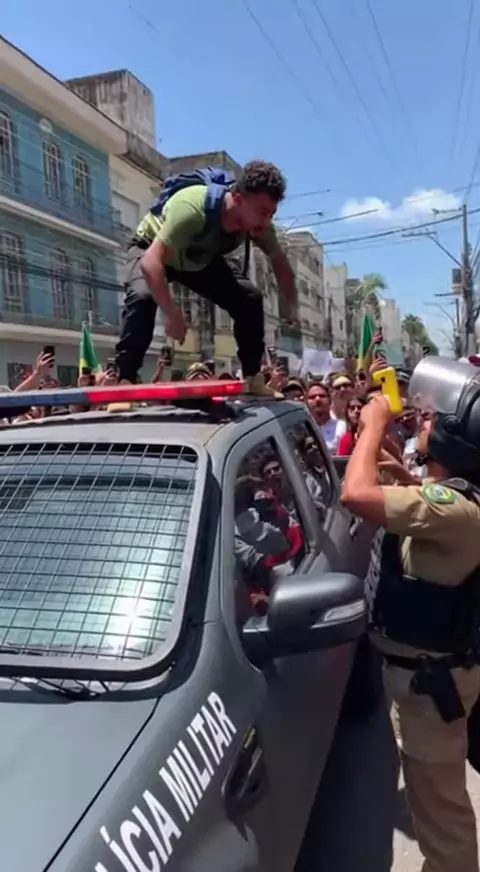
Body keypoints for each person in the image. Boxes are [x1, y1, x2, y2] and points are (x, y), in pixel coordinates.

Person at [342, 356, 480, 872]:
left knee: (441, 815)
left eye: (432, 420)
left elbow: (355, 494)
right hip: (432, 674)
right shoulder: (457, 498)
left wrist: (372, 425)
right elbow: (420, 496)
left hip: (429, 685)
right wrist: (394, 463)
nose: (424, 420)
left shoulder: (455, 510)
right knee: (435, 802)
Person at [115, 161, 296, 398]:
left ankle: (253, 376)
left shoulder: (261, 228)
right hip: (151, 249)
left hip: (195, 260)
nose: (265, 222)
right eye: (262, 212)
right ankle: (125, 379)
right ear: (238, 198)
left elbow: (281, 264)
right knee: (143, 297)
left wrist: (292, 307)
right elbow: (151, 262)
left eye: (271, 214)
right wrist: (171, 313)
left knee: (249, 298)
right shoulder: (192, 209)